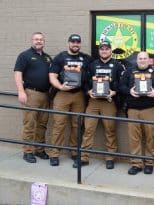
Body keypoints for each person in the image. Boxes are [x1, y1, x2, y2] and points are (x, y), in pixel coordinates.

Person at [72, 41, 124, 169]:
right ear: (99, 51)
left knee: (110, 130)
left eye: (107, 49)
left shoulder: (117, 65)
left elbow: (122, 83)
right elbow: (85, 82)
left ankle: (110, 158)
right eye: (102, 49)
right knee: (88, 130)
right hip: (94, 102)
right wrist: (88, 91)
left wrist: (114, 92)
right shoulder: (92, 65)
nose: (104, 51)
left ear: (110, 51)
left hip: (109, 102)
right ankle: (84, 157)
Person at [119, 51, 154, 175]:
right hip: (133, 109)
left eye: (145, 58)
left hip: (149, 108)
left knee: (151, 137)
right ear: (137, 60)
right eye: (140, 58)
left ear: (149, 60)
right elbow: (121, 86)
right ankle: (136, 164)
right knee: (134, 138)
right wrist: (129, 91)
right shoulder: (129, 71)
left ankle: (149, 163)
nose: (142, 60)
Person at [48, 34, 91, 166]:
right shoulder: (60, 57)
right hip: (62, 94)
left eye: (77, 42)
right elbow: (52, 76)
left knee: (77, 125)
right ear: (68, 43)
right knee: (59, 124)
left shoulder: (86, 58)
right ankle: (54, 154)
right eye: (73, 42)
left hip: (79, 95)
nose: (75, 44)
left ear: (80, 44)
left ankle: (74, 152)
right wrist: (60, 86)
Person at [14, 32, 52, 163]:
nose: (39, 41)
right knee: (29, 124)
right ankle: (28, 151)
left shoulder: (47, 58)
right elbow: (18, 74)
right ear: (32, 41)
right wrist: (21, 91)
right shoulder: (25, 55)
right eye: (36, 39)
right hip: (31, 94)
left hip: (46, 95)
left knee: (42, 124)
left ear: (44, 41)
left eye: (41, 39)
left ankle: (39, 150)